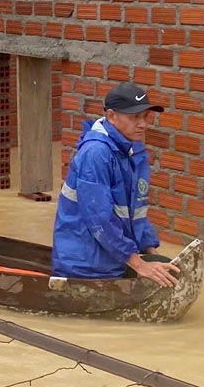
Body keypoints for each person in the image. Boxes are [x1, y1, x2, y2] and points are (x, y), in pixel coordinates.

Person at [51, 82, 180, 287]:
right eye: (134, 117)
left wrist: (150, 253)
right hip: (86, 266)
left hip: (115, 258)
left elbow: (135, 210)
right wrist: (139, 265)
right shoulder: (96, 154)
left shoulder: (131, 149)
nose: (143, 124)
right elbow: (100, 220)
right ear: (111, 116)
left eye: (145, 116)